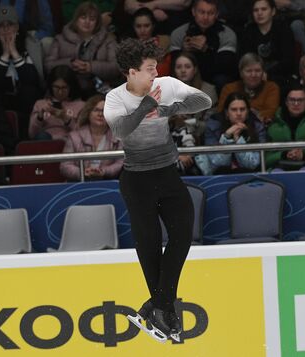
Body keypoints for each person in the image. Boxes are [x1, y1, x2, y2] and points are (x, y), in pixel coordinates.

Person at [103, 38, 211, 342]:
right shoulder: (115, 98)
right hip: (136, 181)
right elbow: (121, 130)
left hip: (167, 174)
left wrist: (171, 105)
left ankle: (158, 304)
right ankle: (165, 313)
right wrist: (148, 105)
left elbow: (205, 101)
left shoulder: (166, 85)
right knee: (148, 244)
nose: (155, 73)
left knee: (182, 234)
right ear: (131, 71)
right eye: (150, 69)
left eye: (155, 68)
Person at [0, 5, 43, 140]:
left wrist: (15, 54)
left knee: (29, 91)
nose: (6, 30)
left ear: (17, 27)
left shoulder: (30, 44)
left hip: (24, 100)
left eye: (10, 25)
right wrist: (5, 55)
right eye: (2, 26)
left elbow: (34, 80)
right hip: (1, 99)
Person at [45, 2, 120, 98]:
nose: (87, 22)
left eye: (92, 19)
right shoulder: (60, 39)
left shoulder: (108, 40)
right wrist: (70, 63)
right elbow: (48, 65)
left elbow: (116, 66)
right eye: (83, 17)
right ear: (76, 19)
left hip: (99, 90)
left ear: (97, 23)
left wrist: (91, 67)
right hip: (67, 92)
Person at [169, 0, 238, 91]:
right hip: (186, 75)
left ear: (217, 14)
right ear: (193, 12)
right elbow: (173, 66)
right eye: (201, 12)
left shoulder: (227, 34)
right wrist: (184, 52)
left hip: (213, 77)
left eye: (210, 13)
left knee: (222, 79)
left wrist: (206, 50)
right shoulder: (178, 33)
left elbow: (225, 67)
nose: (205, 17)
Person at [195, 92, 266, 175]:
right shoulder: (213, 127)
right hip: (219, 176)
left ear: (247, 113)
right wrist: (227, 137)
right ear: (227, 113)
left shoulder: (257, 128)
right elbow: (217, 164)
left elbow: (251, 165)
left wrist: (238, 139)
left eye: (242, 109)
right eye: (234, 109)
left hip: (249, 176)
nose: (239, 113)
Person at [60, 94, 123, 181]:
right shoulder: (74, 136)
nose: (100, 114)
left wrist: (103, 171)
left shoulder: (119, 137)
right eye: (96, 110)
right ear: (88, 113)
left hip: (108, 183)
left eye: (104, 111)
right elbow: (65, 166)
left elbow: (120, 163)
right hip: (78, 183)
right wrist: (83, 172)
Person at [239, 0, 294, 84]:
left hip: (279, 76)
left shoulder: (284, 30)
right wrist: (257, 74)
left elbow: (288, 61)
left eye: (264, 9)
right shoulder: (248, 31)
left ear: (273, 11)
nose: (259, 13)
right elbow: (245, 59)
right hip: (253, 75)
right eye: (255, 10)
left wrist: (267, 74)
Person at [217, 53, 280, 125]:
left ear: (263, 72)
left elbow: (270, 112)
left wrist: (238, 113)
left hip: (260, 127)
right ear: (241, 73)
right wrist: (255, 113)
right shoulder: (229, 88)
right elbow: (221, 112)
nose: (253, 75)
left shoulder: (271, 87)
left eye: (257, 71)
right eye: (249, 71)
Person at [29, 65, 85, 140]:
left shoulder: (81, 105)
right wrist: (39, 117)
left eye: (64, 87)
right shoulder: (40, 104)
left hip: (69, 141)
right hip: (46, 141)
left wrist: (66, 119)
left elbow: (84, 134)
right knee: (42, 137)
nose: (60, 92)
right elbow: (32, 134)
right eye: (56, 87)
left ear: (71, 87)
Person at [172, 51, 218, 142]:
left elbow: (212, 125)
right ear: (174, 70)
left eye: (187, 67)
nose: (183, 70)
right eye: (179, 67)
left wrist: (188, 122)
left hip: (201, 139)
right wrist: (172, 119)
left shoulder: (208, 91)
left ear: (195, 69)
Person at [128, 7, 172, 77]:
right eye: (138, 26)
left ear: (153, 25)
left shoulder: (165, 42)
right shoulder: (129, 48)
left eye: (146, 25)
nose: (142, 30)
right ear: (133, 27)